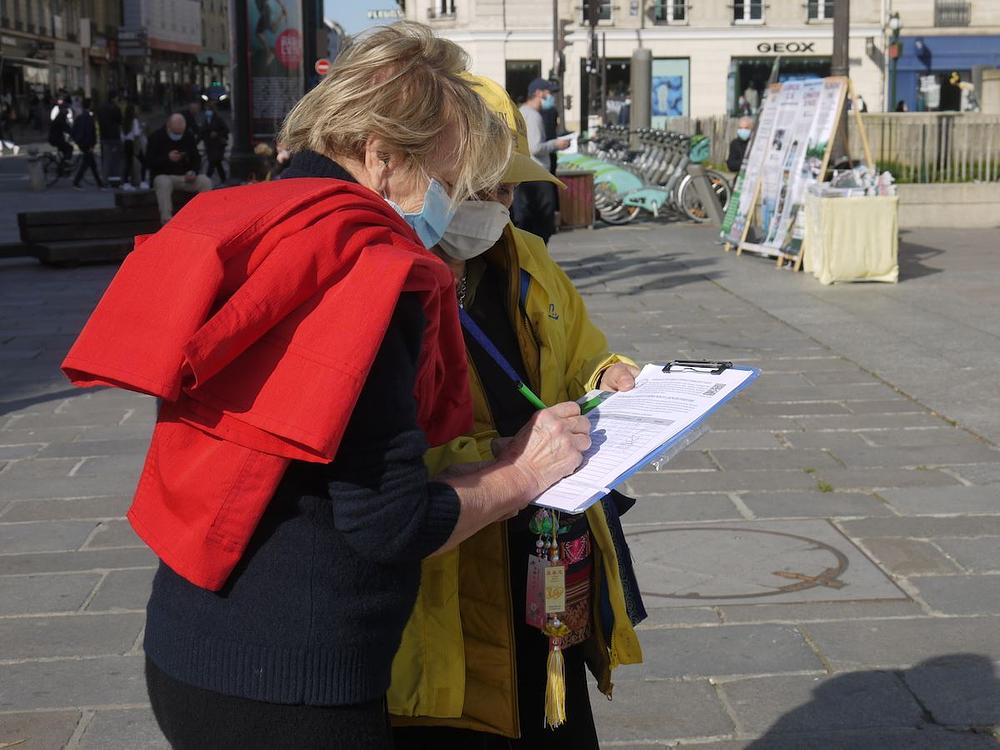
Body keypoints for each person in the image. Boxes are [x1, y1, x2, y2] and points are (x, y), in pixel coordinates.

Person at [62, 22, 591, 750]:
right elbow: (391, 526)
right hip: (296, 684)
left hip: (189, 643)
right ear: (379, 156)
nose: (447, 206)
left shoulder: (257, 218)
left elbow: (314, 456)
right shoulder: (367, 268)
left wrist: (487, 457)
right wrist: (525, 473)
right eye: (444, 180)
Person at [390, 75, 645, 750]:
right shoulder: (393, 278)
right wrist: (505, 460)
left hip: (547, 555)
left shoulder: (526, 256)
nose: (498, 205)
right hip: (453, 571)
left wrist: (606, 372)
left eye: (508, 189)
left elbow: (579, 351)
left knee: (552, 718)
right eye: (482, 189)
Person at [512, 78, 570, 244]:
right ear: (538, 93)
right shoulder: (534, 116)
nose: (551, 96)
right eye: (548, 92)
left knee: (528, 221)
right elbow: (535, 147)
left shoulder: (521, 112)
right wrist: (556, 144)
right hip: (537, 175)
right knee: (543, 222)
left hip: (526, 173)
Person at [146, 113, 212, 223]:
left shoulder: (188, 136)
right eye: (176, 132)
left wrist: (193, 171)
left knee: (205, 181)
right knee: (163, 182)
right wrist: (167, 158)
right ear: (169, 126)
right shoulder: (156, 137)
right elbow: (149, 162)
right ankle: (167, 220)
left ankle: (205, 216)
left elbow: (196, 158)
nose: (178, 135)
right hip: (165, 175)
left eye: (180, 132)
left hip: (185, 177)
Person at [70, 98, 104, 190]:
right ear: (90, 105)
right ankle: (76, 182)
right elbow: (90, 132)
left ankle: (100, 184)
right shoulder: (88, 118)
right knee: (87, 164)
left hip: (82, 143)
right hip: (87, 144)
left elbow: (73, 131)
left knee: (91, 164)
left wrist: (77, 141)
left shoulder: (80, 117)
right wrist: (91, 145)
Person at [96, 92, 123, 186]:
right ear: (113, 98)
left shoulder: (101, 108)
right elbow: (120, 121)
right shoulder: (115, 108)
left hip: (104, 136)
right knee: (116, 160)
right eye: (116, 98)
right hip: (114, 136)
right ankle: (115, 180)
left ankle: (105, 180)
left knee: (106, 159)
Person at [200, 102, 230, 182]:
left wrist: (217, 133)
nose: (207, 111)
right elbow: (203, 132)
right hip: (210, 145)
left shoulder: (218, 119)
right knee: (217, 163)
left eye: (208, 109)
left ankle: (207, 179)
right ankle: (223, 179)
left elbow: (226, 130)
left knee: (212, 162)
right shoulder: (206, 120)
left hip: (217, 145)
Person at [48, 99, 73, 166]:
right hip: (56, 139)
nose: (67, 111)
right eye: (66, 109)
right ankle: (65, 162)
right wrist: (74, 134)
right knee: (69, 148)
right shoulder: (60, 117)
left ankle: (63, 165)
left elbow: (67, 127)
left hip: (56, 138)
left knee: (65, 149)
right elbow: (66, 128)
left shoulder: (61, 116)